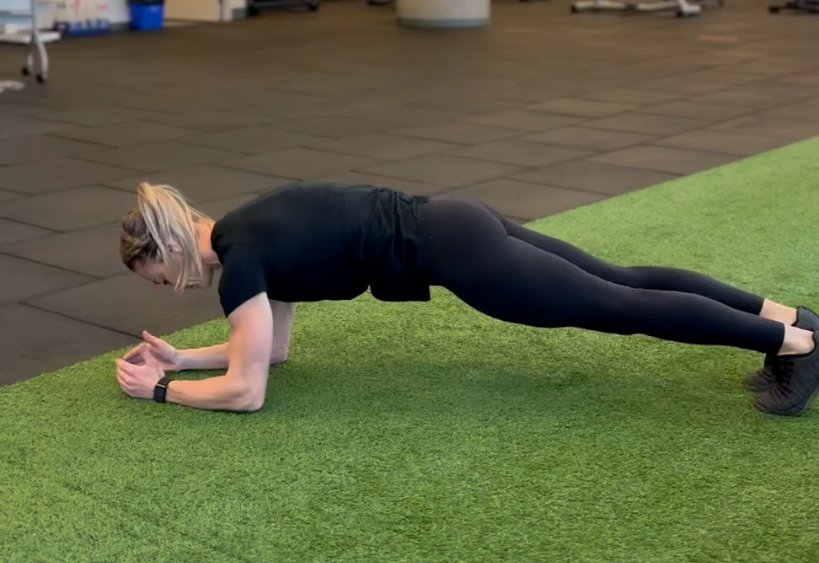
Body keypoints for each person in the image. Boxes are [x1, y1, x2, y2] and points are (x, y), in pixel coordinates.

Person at [116, 181, 819, 416]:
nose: (165, 287)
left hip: (457, 254)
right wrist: (183, 354)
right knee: (624, 279)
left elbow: (248, 389)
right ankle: (788, 318)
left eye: (155, 277)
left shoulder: (241, 265)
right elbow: (272, 349)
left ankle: (797, 348)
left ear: (167, 250)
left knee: (617, 305)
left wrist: (161, 388)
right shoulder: (248, 231)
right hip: (455, 216)